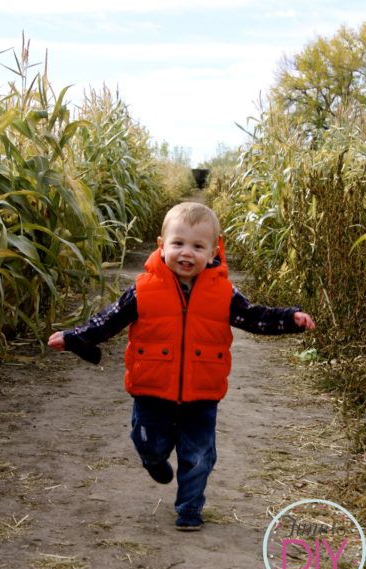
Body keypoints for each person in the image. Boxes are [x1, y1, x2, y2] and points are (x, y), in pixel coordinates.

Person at [48, 202, 315, 531]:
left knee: (200, 455)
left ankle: (190, 508)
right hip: (151, 389)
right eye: (178, 244)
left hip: (202, 393)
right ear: (162, 246)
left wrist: (289, 319)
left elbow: (254, 316)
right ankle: (153, 459)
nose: (186, 253)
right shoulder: (143, 290)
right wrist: (76, 336)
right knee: (148, 440)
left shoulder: (223, 293)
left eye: (198, 246)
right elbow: (109, 319)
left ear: (214, 251)